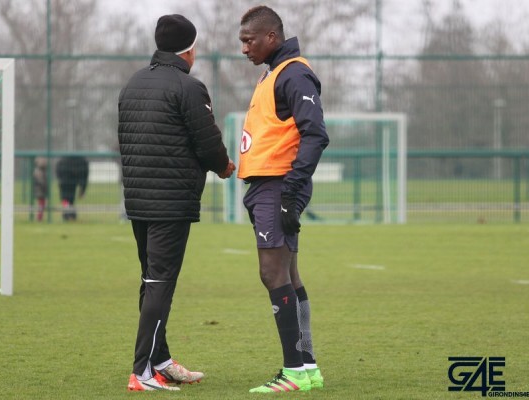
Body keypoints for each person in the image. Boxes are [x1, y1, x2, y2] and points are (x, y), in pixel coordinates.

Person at [118, 14, 236, 392]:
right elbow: (207, 143)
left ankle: (160, 360)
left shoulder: (133, 83)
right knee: (160, 282)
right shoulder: (189, 87)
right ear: (190, 49)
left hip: (138, 199)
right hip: (170, 202)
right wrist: (223, 166)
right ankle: (142, 372)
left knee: (151, 281)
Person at [238, 6, 330, 393]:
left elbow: (316, 134)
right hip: (269, 186)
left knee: (272, 273)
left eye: (249, 40)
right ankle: (306, 367)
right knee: (289, 275)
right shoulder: (273, 72)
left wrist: (291, 191)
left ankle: (292, 370)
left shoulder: (293, 73)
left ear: (271, 37)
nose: (244, 48)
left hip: (278, 185)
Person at [55, 155, 89, 221]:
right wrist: (82, 189)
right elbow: (84, 177)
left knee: (65, 199)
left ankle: (68, 214)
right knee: (69, 199)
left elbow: (58, 173)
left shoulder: (62, 162)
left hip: (64, 182)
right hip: (71, 182)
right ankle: (70, 214)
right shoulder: (81, 162)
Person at [32, 156, 48, 222]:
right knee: (41, 204)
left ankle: (40, 217)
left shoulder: (41, 171)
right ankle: (39, 217)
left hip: (40, 189)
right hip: (40, 189)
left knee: (42, 203)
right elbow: (41, 181)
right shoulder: (38, 171)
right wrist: (44, 187)